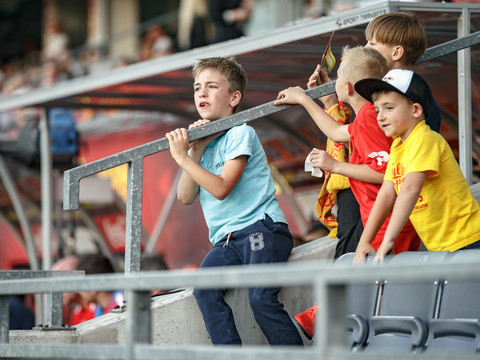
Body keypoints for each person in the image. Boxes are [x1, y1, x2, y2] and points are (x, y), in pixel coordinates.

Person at [274, 46, 420, 340]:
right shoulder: (367, 115)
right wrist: (307, 100)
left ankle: (329, 320)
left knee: (377, 294)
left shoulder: (368, 117)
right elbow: (338, 133)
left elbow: (386, 173)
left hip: (388, 224)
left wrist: (335, 165)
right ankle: (329, 318)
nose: (335, 80)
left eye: (338, 76)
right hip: (382, 222)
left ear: (348, 86)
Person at [165, 57, 303, 346]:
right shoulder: (202, 143)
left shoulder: (241, 131)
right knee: (204, 290)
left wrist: (180, 156)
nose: (201, 93)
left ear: (234, 97)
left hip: (261, 229)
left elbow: (221, 188)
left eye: (212, 86)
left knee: (260, 298)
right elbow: (185, 196)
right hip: (226, 241)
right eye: (197, 87)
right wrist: (195, 150)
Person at [353, 68, 480, 263]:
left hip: (468, 240)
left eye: (388, 108)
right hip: (443, 247)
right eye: (377, 109)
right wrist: (364, 241)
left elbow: (410, 189)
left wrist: (389, 239)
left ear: (415, 110)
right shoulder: (398, 146)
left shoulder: (424, 139)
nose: (379, 116)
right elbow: (387, 194)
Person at [71, 254, 124, 325]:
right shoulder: (98, 309)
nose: (79, 292)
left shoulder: (122, 301)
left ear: (93, 286)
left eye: (81, 286)